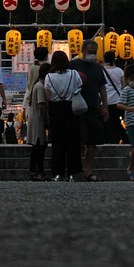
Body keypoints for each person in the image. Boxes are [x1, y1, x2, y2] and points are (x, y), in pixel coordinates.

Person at [72, 38, 109, 182]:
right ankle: (77, 169)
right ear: (83, 51)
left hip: (93, 106)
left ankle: (88, 170)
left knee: (92, 141)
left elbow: (102, 87)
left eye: (94, 52)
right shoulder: (74, 65)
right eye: (90, 52)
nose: (92, 55)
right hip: (77, 107)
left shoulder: (98, 67)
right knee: (79, 139)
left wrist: (105, 106)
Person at [44, 50, 83, 181]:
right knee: (73, 141)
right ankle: (74, 172)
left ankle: (58, 172)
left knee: (57, 143)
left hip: (56, 109)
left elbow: (48, 96)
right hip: (72, 108)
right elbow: (79, 87)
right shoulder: (74, 74)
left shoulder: (49, 77)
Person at [26, 61, 50, 180]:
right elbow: (41, 105)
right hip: (39, 121)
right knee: (38, 147)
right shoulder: (40, 87)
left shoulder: (36, 86)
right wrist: (47, 120)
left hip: (35, 120)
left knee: (39, 147)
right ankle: (37, 171)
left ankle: (35, 171)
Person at [102, 50, 128, 143]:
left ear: (104, 59)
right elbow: (123, 86)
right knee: (117, 121)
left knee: (106, 122)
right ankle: (122, 139)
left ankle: (108, 140)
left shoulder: (101, 71)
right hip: (117, 100)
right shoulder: (119, 71)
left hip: (104, 101)